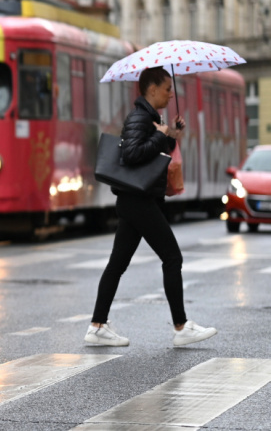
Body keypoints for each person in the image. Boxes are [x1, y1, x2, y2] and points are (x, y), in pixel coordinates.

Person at [85, 66, 217, 347]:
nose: (172, 94)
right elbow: (132, 154)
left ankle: (97, 326)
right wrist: (162, 134)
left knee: (117, 265)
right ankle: (181, 328)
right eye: (168, 89)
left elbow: (150, 154)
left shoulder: (149, 118)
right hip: (138, 202)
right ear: (152, 89)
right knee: (172, 257)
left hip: (135, 201)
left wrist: (171, 135)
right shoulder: (139, 117)